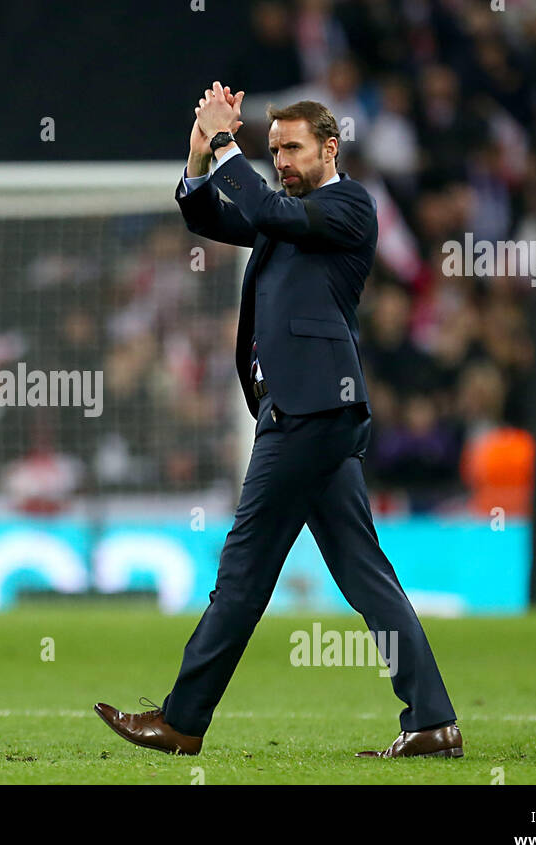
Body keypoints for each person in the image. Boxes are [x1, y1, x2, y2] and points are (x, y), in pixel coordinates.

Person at [95, 86, 461, 759]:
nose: (283, 160)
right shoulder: (285, 216)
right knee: (364, 573)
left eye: (292, 148)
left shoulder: (350, 206)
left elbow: (261, 204)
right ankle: (433, 720)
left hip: (309, 411)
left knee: (242, 570)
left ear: (330, 147)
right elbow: (205, 214)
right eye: (275, 150)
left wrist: (231, 146)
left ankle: (182, 719)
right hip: (309, 412)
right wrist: (200, 149)